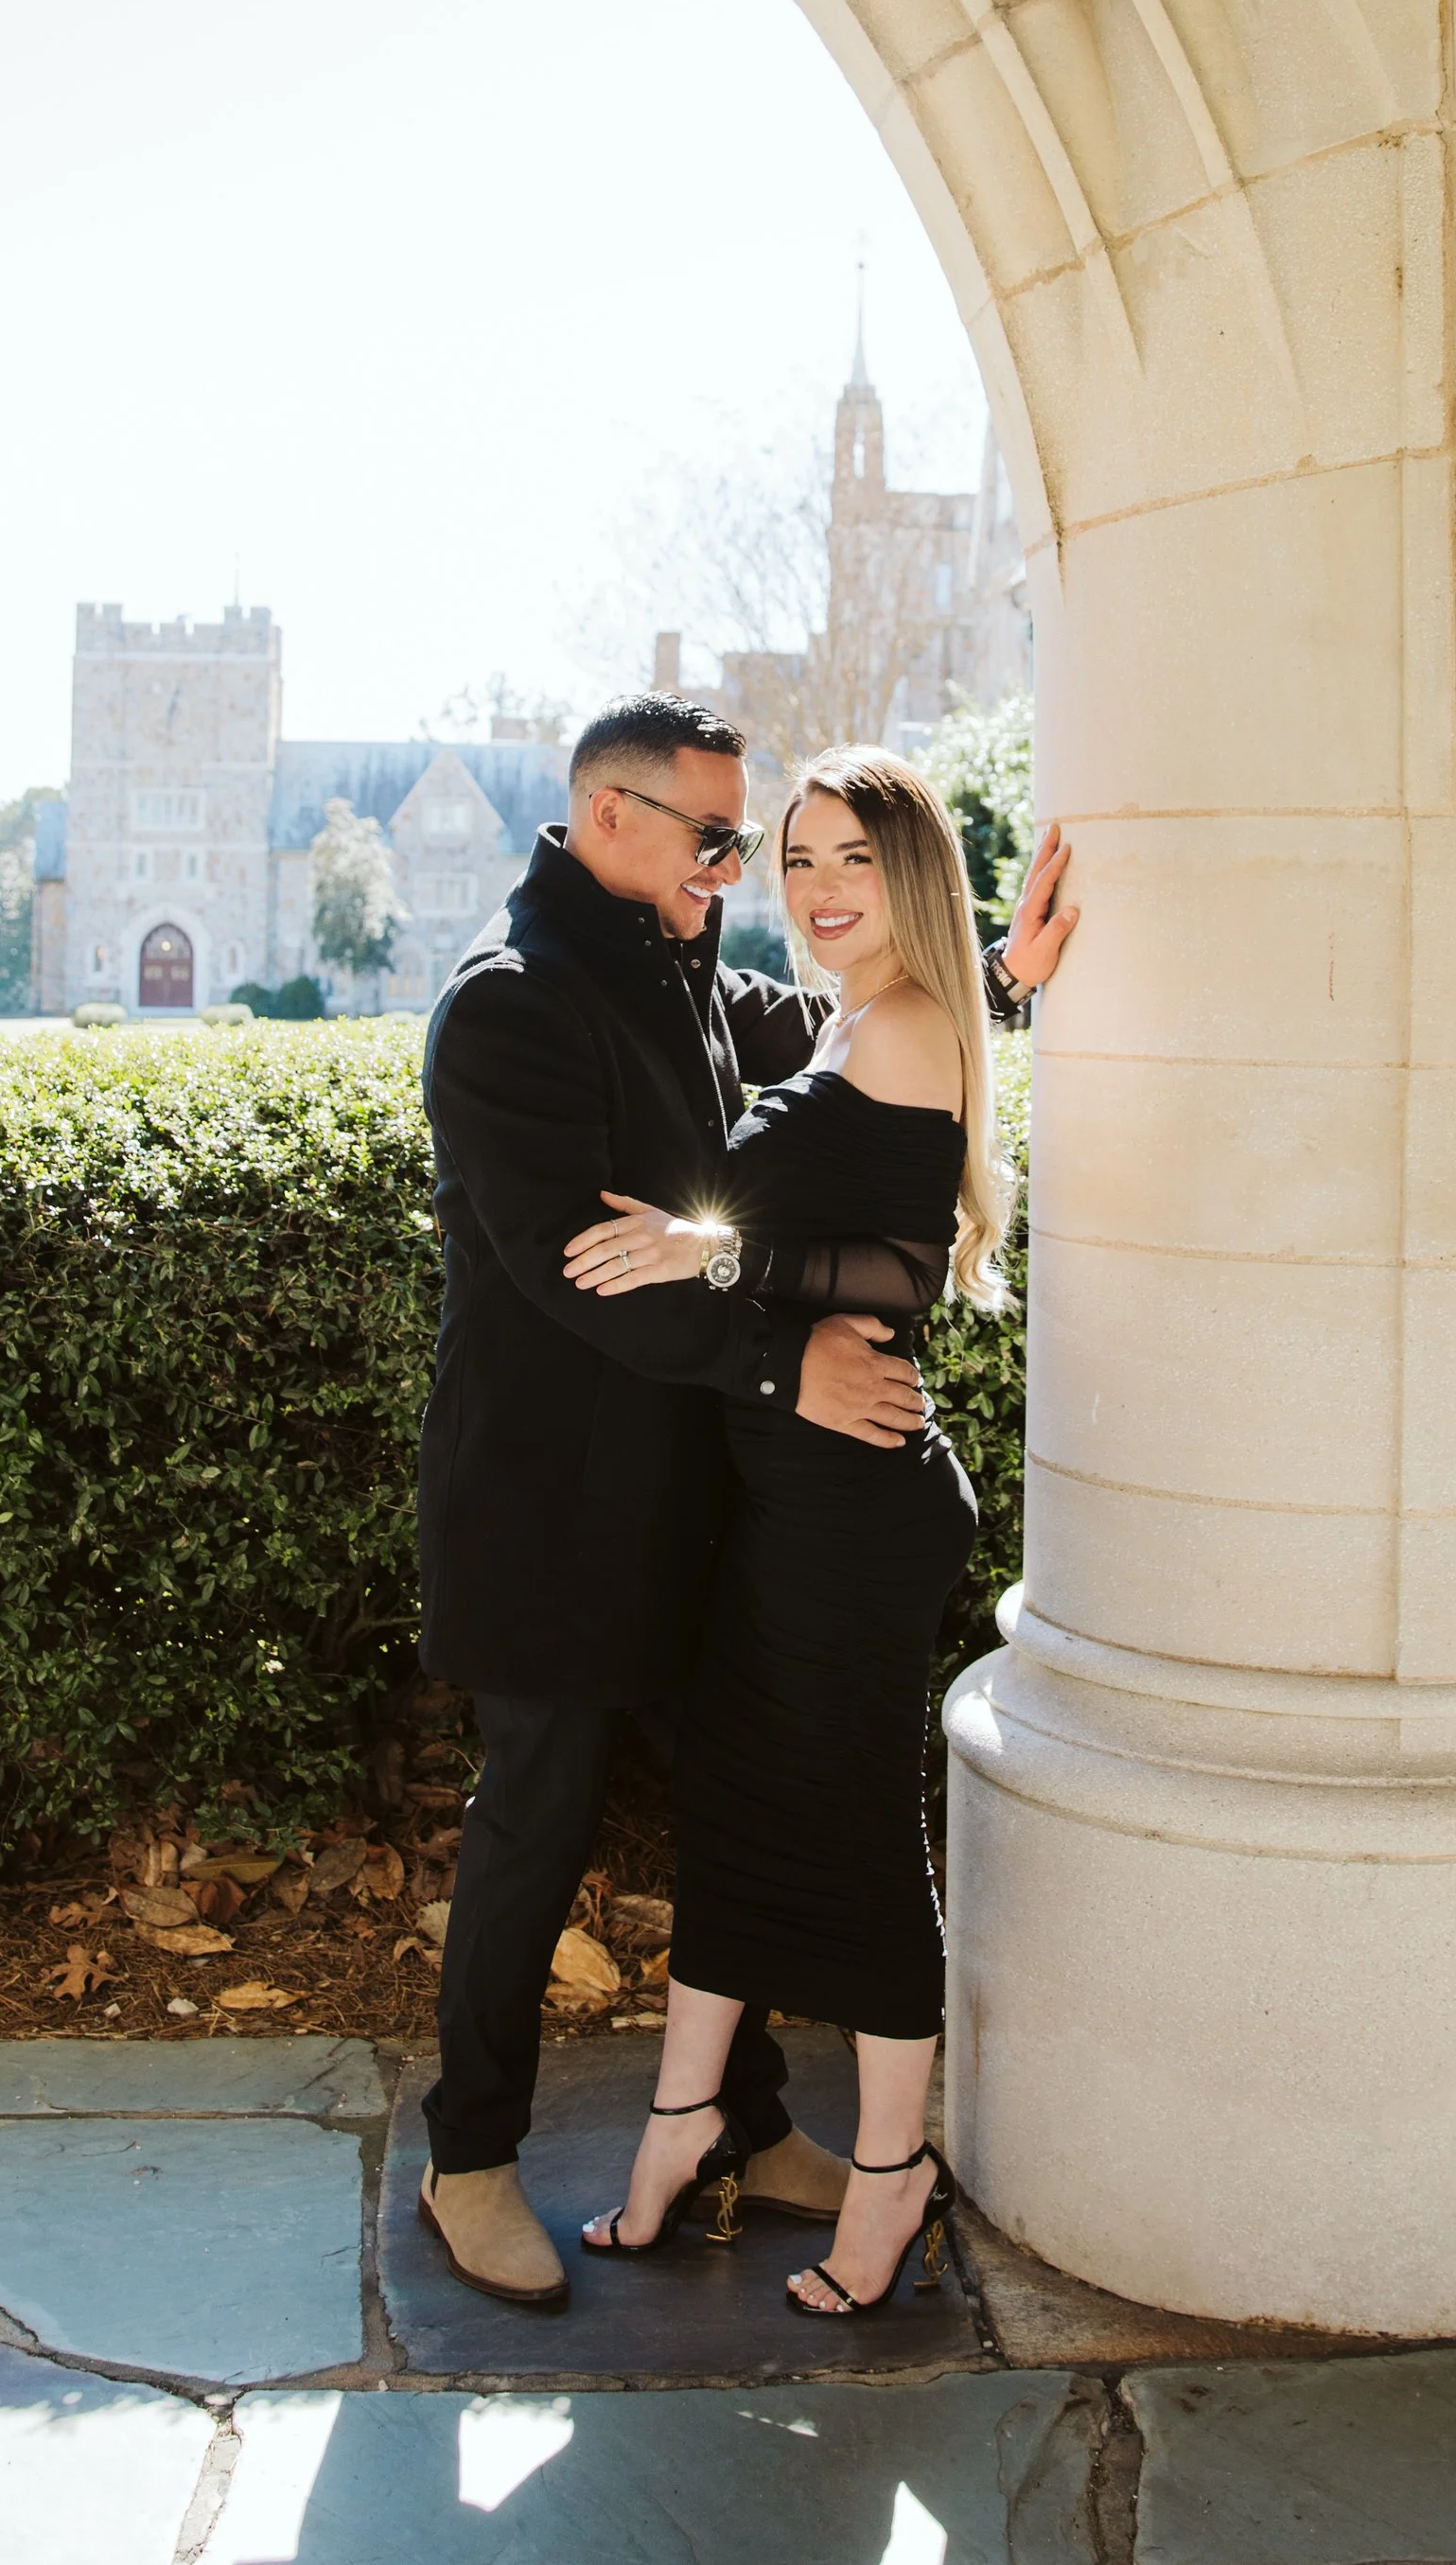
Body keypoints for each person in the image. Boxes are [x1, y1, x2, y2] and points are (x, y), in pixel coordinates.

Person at [415, 694, 1074, 2308]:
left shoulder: (682, 959)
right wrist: (789, 1369)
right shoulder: (507, 1007)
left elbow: (854, 1053)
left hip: (703, 1503)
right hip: (553, 1510)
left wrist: (997, 978)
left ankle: (747, 2122)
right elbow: (587, 1274)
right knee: (537, 1822)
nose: (739, 870)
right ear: (611, 819)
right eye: (720, 840)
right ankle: (470, 2159)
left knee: (744, 1805)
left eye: (748, 844)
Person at [564, 747, 1014, 2315]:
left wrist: (699, 1246)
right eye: (798, 860)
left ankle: (893, 2170)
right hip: (793, 1493)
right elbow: (848, 1234)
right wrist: (726, 1257)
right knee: (742, 1807)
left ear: (912, 880)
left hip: (855, 1506)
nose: (817, 890)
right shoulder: (868, 1014)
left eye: (852, 863)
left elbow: (890, 1273)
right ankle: (686, 2118)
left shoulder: (895, 1028)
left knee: (853, 1836)